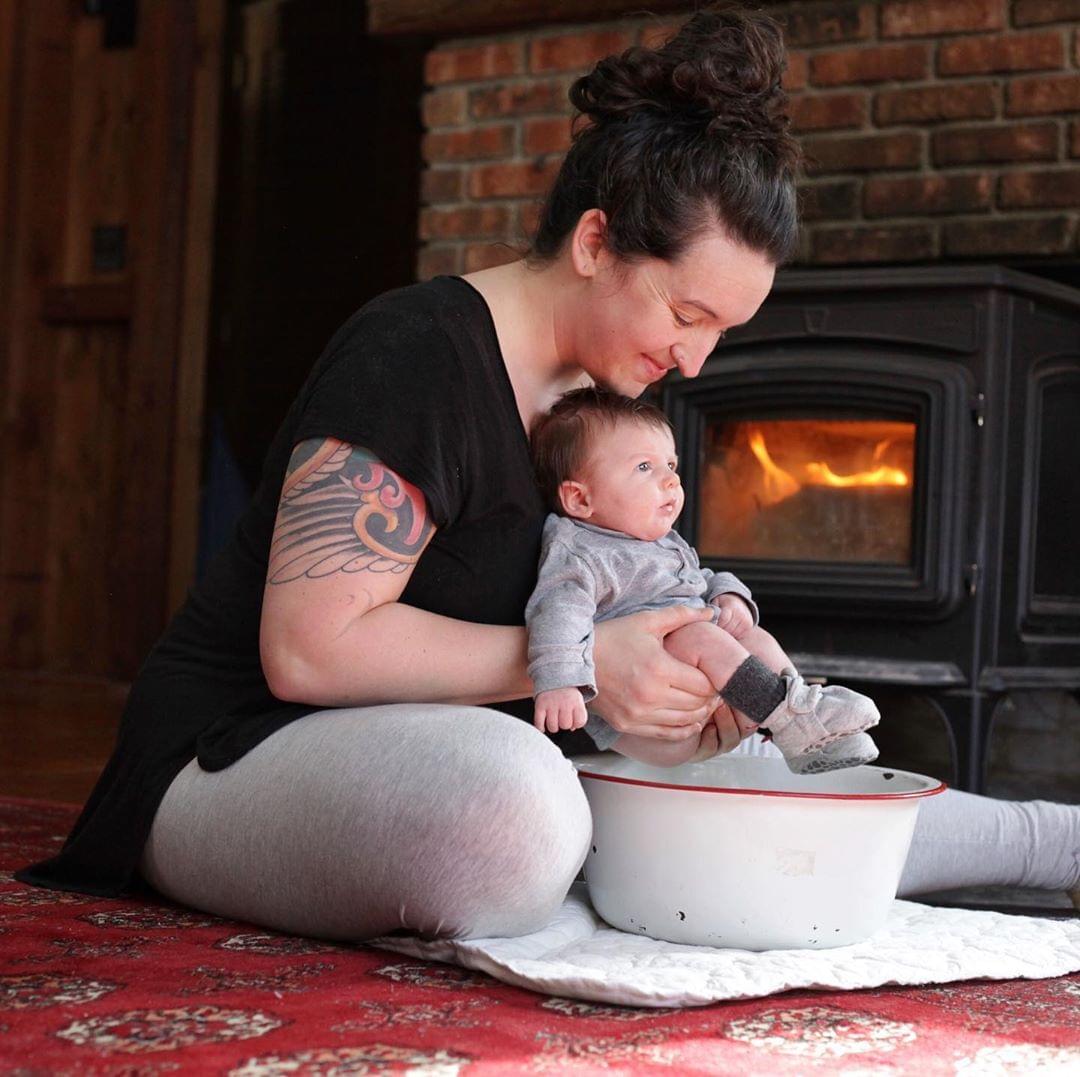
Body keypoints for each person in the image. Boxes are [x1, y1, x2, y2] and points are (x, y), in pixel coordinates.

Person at [16, 6, 1079, 937]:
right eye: (686, 313)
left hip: (483, 755)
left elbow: (626, 614)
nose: (695, 361)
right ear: (594, 240)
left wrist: (673, 684)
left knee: (790, 782)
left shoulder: (604, 415)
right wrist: (576, 663)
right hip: (234, 756)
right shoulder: (417, 349)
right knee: (523, 810)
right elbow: (307, 651)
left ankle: (1052, 844)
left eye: (722, 332)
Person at [525, 386, 880, 773]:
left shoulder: (655, 541)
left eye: (671, 466)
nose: (670, 481)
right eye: (644, 467)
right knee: (700, 636)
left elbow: (701, 578)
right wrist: (559, 683)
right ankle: (794, 718)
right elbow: (557, 613)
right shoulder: (581, 552)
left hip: (697, 704)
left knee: (754, 638)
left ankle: (805, 724)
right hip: (647, 720)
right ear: (580, 499)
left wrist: (730, 597)